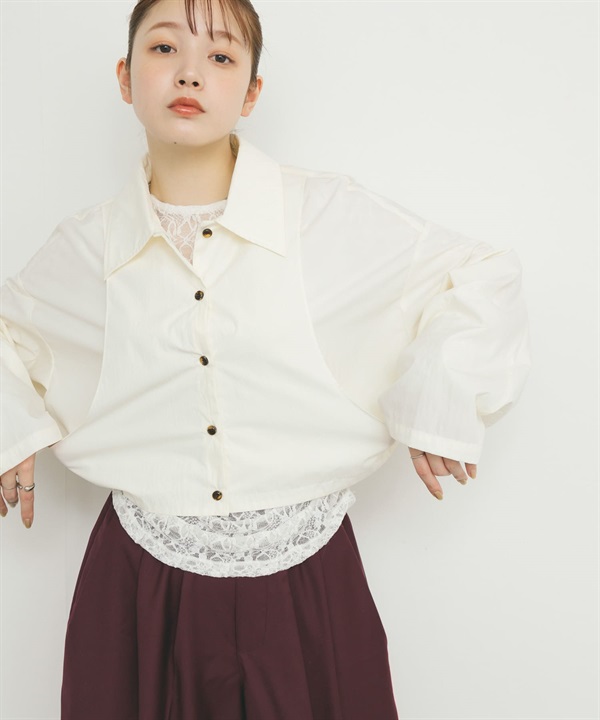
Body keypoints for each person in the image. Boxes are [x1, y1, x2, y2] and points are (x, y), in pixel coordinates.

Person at [0, 0, 531, 717]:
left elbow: (481, 271)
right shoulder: (83, 250)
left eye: (220, 56)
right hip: (138, 584)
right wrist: (11, 426)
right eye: (164, 49)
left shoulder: (325, 216)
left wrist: (441, 397)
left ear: (251, 93)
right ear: (124, 78)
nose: (190, 72)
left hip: (307, 578)